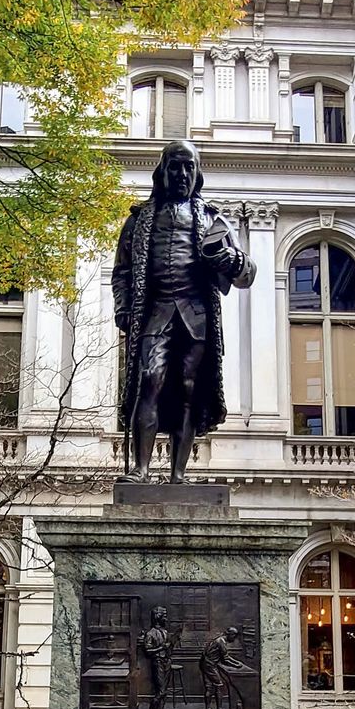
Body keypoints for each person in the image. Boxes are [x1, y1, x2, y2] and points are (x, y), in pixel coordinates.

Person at [112, 139, 256, 483]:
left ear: (197, 172)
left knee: (190, 390)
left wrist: (231, 259)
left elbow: (247, 273)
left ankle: (178, 474)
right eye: (175, 166)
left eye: (188, 167)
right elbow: (122, 272)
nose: (181, 174)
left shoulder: (212, 220)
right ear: (162, 172)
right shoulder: (139, 221)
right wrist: (123, 308)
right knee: (149, 381)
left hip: (195, 316)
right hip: (155, 313)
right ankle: (141, 470)